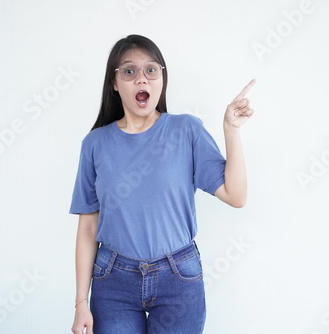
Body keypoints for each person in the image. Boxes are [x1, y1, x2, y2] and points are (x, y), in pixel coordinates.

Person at [69, 34, 255, 334]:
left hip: (178, 278)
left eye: (151, 70)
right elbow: (88, 226)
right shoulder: (95, 144)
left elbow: (236, 195)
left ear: (161, 80)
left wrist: (230, 130)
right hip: (113, 281)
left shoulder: (187, 130)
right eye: (129, 71)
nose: (141, 78)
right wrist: (80, 303)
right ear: (115, 83)